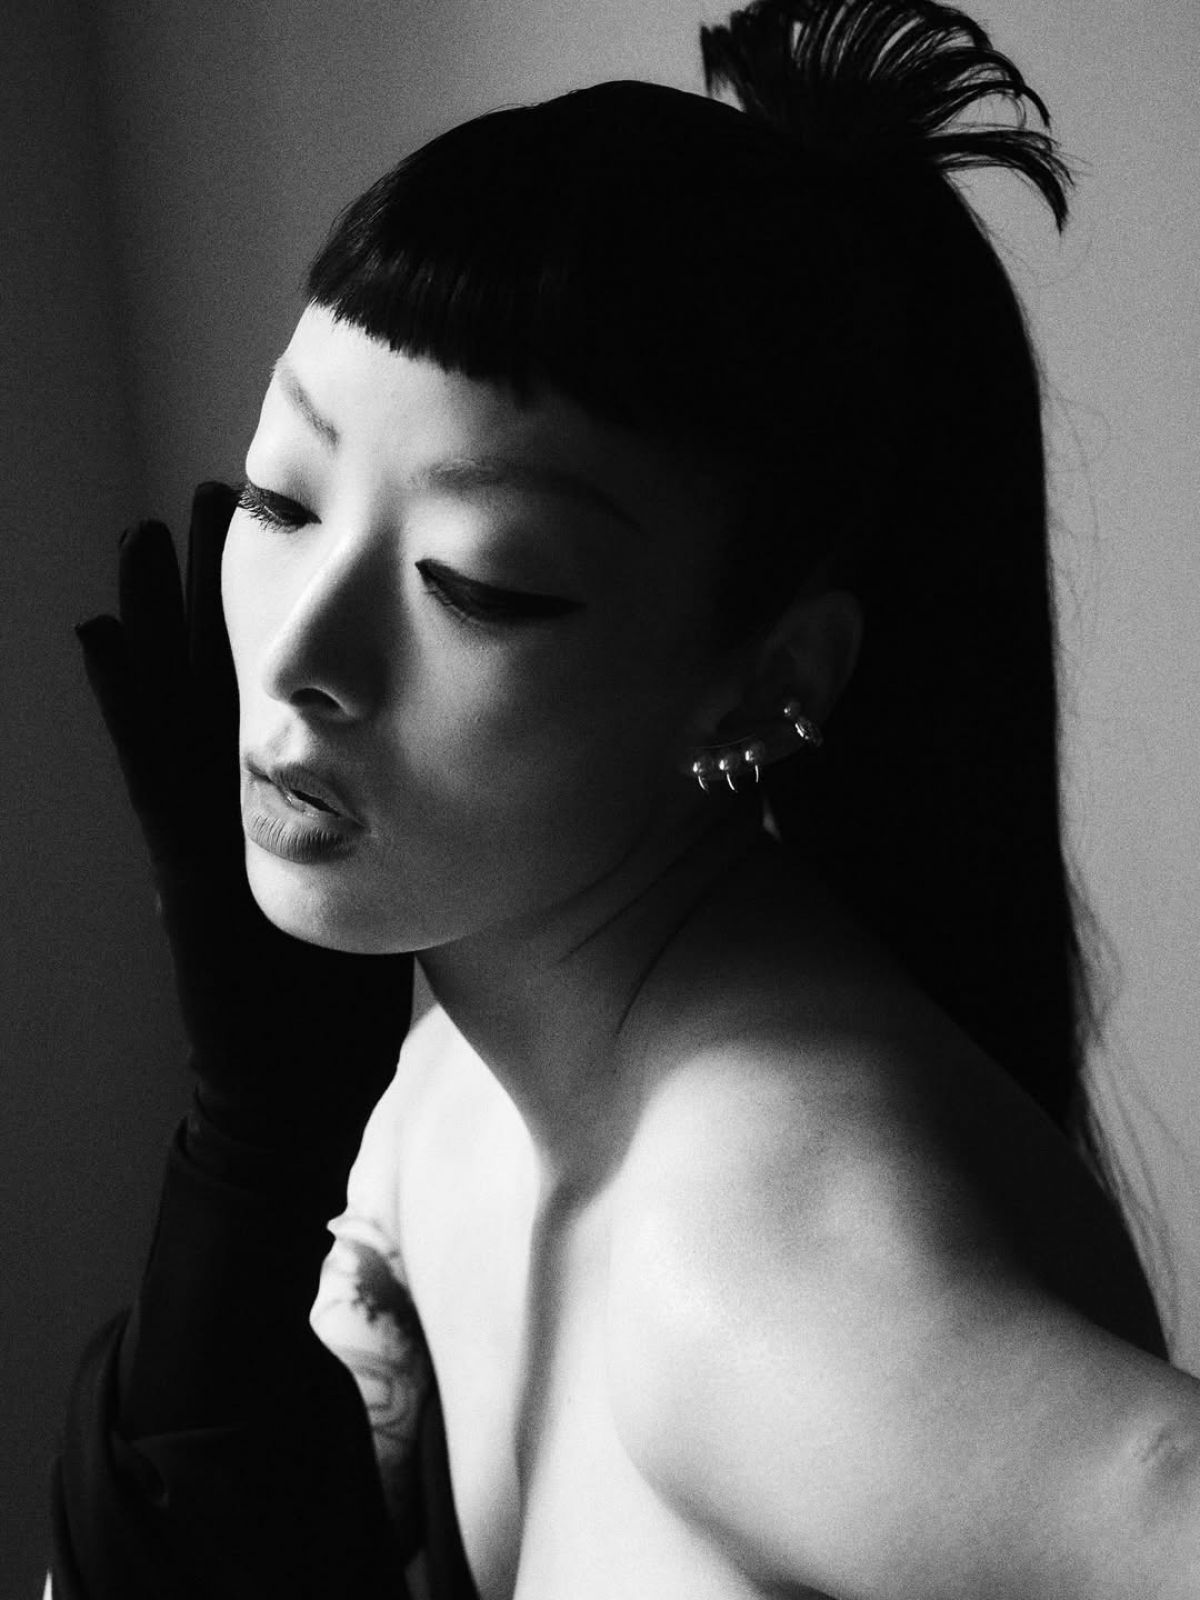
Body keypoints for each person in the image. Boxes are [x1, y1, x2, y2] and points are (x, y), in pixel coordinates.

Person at [50, 0, 1200, 1595]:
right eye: (281, 496)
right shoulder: (456, 1090)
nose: (301, 653)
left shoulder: (753, 1273)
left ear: (763, 681)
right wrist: (252, 1153)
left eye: (479, 584)